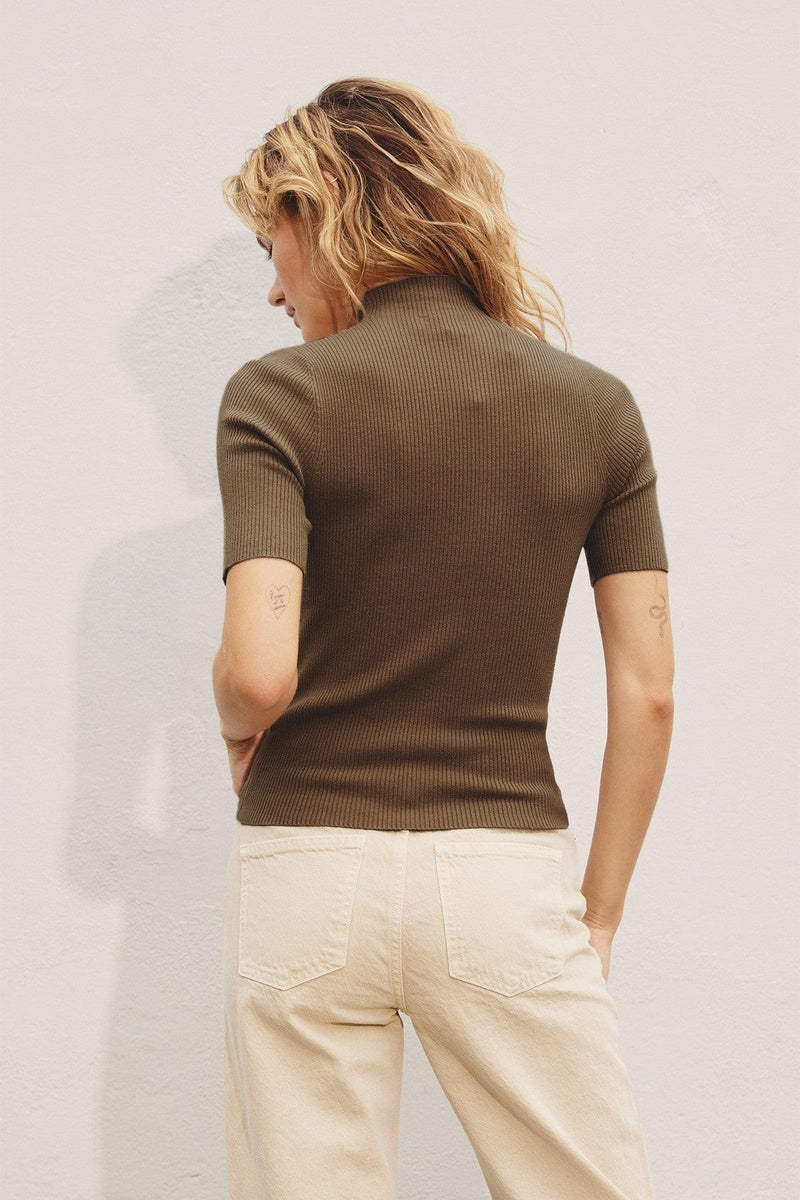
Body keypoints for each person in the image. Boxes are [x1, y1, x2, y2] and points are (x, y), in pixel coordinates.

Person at [212, 75, 674, 1200]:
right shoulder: (595, 408)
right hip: (503, 875)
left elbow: (258, 672)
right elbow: (648, 691)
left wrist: (234, 725)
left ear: (319, 213)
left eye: (271, 243)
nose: (272, 288)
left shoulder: (275, 398)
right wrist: (599, 911)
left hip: (308, 866)